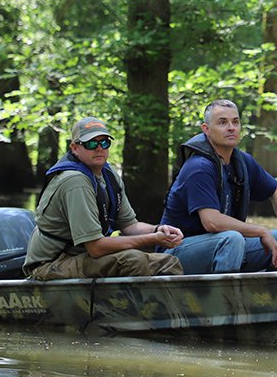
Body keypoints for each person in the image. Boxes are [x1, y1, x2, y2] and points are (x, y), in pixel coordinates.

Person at [23, 117, 184, 280]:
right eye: (91, 144)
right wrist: (153, 239)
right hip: (52, 263)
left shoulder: (109, 175)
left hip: (83, 256)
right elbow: (96, 248)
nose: (99, 148)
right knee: (134, 260)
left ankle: (163, 306)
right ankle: (123, 306)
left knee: (169, 262)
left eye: (104, 143)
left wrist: (159, 230)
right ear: (75, 148)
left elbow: (130, 226)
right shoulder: (75, 182)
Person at [160, 99, 277, 274]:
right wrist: (260, 231)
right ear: (206, 129)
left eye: (235, 122)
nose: (231, 127)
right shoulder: (198, 168)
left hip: (224, 246)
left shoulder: (242, 162)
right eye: (222, 122)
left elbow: (276, 190)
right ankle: (224, 301)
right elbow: (212, 222)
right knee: (232, 239)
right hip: (175, 254)